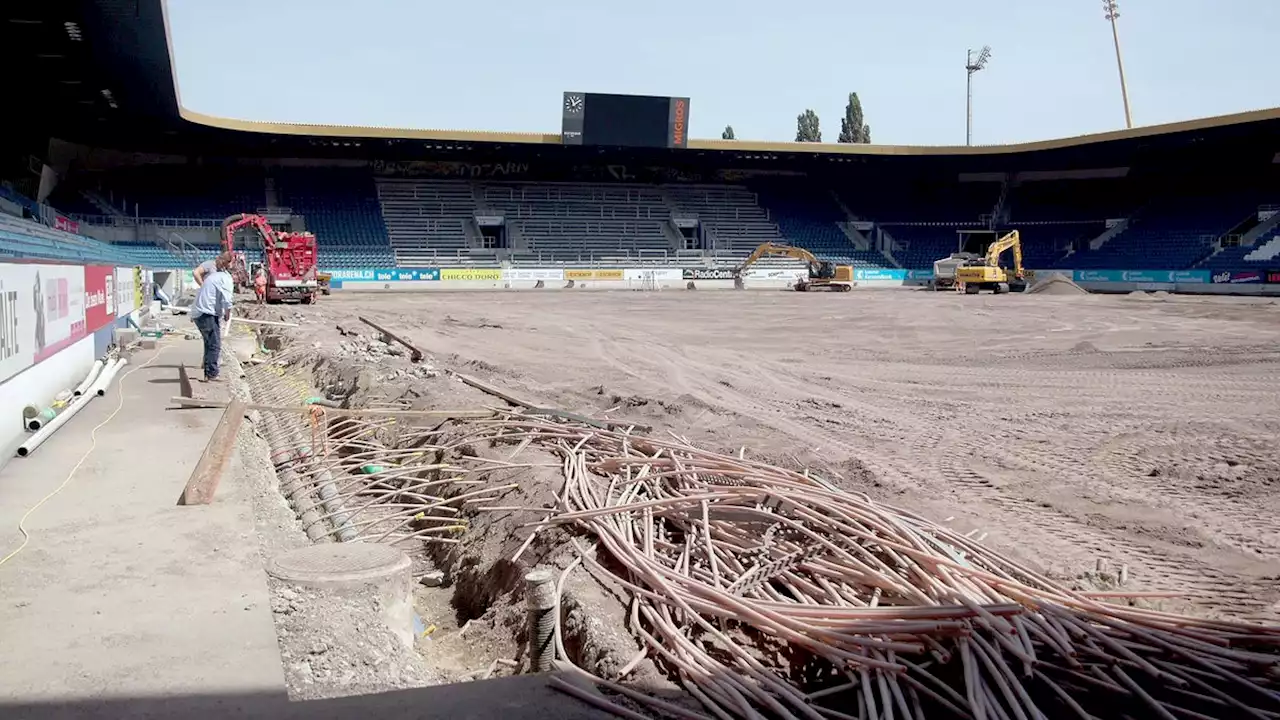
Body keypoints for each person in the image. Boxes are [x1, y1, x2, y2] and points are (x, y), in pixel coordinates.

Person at [190, 253, 234, 382]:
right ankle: (212, 373)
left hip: (201, 311)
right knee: (214, 343)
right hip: (206, 312)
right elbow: (227, 299)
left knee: (209, 342)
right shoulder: (225, 278)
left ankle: (208, 370)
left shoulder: (214, 276)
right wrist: (227, 313)